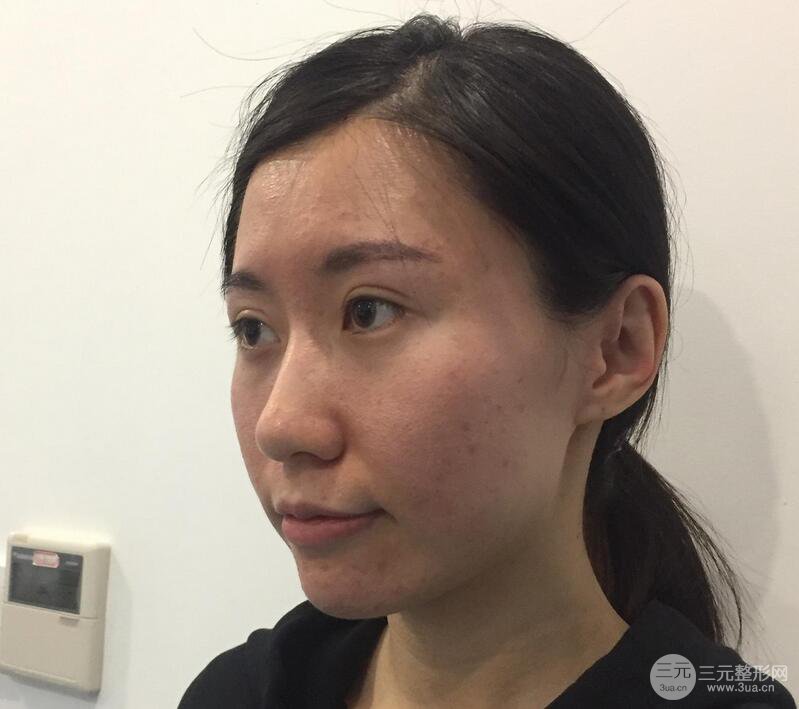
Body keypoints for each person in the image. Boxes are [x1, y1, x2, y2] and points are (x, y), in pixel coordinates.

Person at [178, 13, 795, 709]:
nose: (280, 425)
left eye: (369, 310)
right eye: (254, 329)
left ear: (615, 348)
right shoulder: (238, 693)